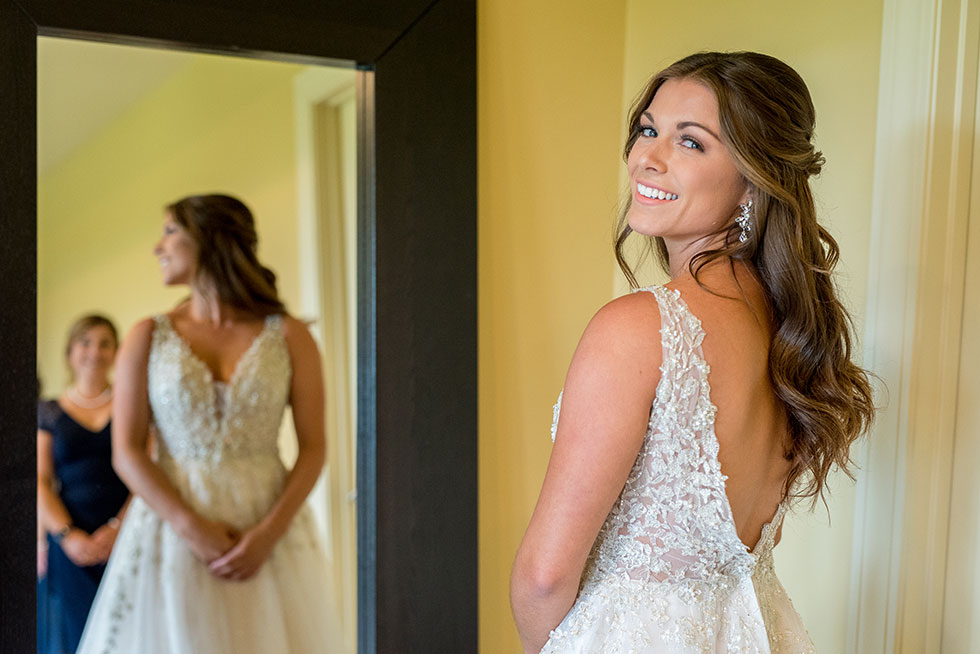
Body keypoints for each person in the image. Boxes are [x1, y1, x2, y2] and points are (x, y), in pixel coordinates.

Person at [511, 52, 875, 653]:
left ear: (753, 181)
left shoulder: (636, 330)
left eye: (691, 142)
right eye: (649, 129)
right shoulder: (791, 335)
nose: (645, 158)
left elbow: (545, 576)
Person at [76, 194, 342, 653]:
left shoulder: (289, 335)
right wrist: (190, 526)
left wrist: (267, 535)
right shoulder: (147, 335)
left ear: (210, 238)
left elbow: (314, 447)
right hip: (172, 525)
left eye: (170, 232)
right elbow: (128, 451)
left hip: (268, 528)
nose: (157, 247)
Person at [37, 315, 130, 653]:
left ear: (117, 352)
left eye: (105, 343)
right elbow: (41, 481)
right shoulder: (48, 411)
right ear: (70, 352)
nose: (95, 351)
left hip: (123, 533)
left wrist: (118, 528)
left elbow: (143, 475)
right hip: (68, 537)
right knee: (71, 636)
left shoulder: (131, 405)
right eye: (86, 342)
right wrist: (66, 536)